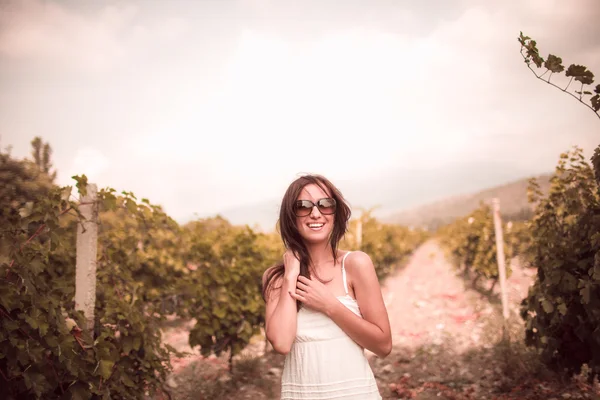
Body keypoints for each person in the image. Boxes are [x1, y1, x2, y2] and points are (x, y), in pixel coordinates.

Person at [262, 174, 392, 400]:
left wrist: (329, 305)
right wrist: (291, 273)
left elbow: (383, 345)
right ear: (290, 217)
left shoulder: (355, 265)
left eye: (325, 204)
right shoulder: (276, 279)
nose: (315, 213)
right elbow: (281, 343)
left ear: (336, 213)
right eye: (302, 206)